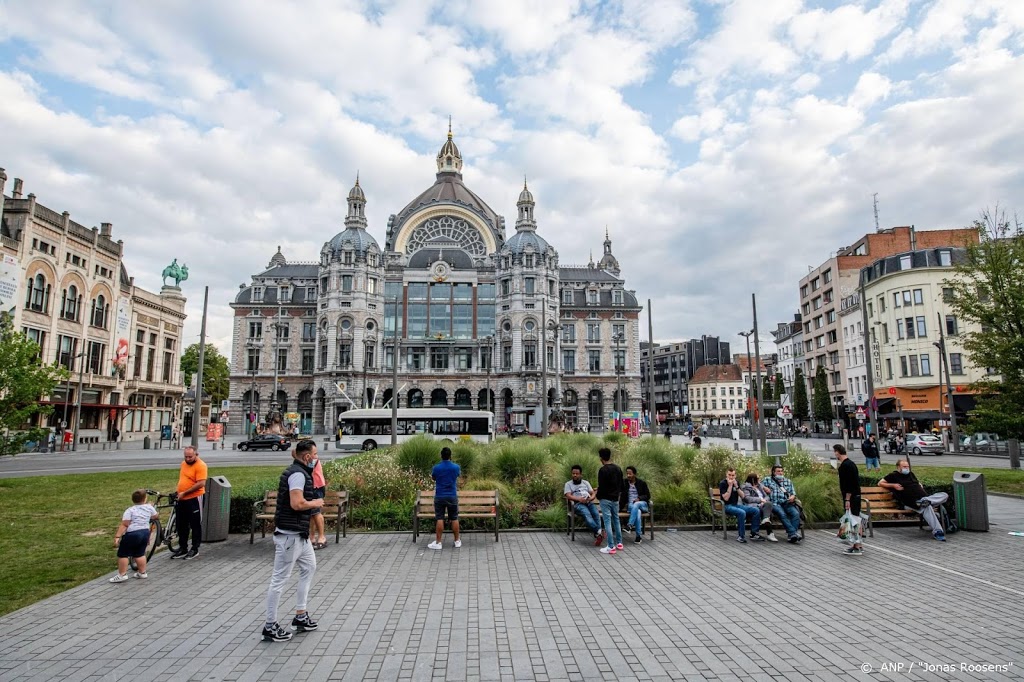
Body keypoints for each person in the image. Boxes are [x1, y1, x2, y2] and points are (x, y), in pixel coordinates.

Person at [262, 439, 324, 642]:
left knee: (309, 567)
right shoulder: (297, 474)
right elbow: (296, 504)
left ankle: (300, 615)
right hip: (290, 535)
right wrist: (315, 502)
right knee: (279, 580)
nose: (316, 458)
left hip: (300, 535)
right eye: (314, 455)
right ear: (307, 457)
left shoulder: (298, 471)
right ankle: (270, 626)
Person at [878, 459, 949, 541]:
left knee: (944, 495)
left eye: (908, 466)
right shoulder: (893, 475)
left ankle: (926, 501)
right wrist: (893, 485)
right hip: (909, 503)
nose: (907, 468)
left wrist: (919, 485)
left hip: (922, 499)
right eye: (904, 467)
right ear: (898, 467)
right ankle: (938, 532)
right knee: (926, 507)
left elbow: (917, 482)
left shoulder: (911, 474)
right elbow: (880, 483)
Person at [110, 489, 159, 583]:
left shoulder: (130, 510)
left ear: (133, 500)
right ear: (145, 499)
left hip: (132, 534)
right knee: (140, 553)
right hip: (145, 533)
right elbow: (155, 516)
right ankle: (142, 572)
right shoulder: (149, 508)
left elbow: (125, 524)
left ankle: (122, 574)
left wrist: (117, 536)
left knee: (123, 554)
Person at [170, 446, 207, 560]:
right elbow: (184, 479)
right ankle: (183, 547)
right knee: (181, 524)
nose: (188, 459)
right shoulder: (183, 464)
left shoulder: (201, 465)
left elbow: (201, 483)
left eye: (190, 456)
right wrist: (179, 492)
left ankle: (194, 548)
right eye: (186, 456)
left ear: (196, 454)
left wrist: (185, 492)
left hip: (195, 498)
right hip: (182, 498)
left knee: (195, 524)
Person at [719, 467, 764, 543]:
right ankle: (741, 536)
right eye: (729, 475)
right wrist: (730, 486)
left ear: (735, 475)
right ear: (726, 475)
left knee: (756, 510)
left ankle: (754, 534)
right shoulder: (723, 483)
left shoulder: (736, 482)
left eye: (733, 475)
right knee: (741, 512)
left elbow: (743, 496)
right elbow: (726, 498)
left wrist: (736, 487)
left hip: (735, 505)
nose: (731, 477)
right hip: (726, 506)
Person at [428, 446, 461, 550]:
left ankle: (438, 543)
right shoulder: (456, 467)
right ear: (450, 456)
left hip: (440, 496)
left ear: (441, 456)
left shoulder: (436, 468)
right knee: (454, 518)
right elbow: (457, 476)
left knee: (440, 518)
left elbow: (434, 478)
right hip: (452, 495)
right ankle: (457, 541)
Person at [834, 444, 864, 555]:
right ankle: (858, 544)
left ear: (837, 452)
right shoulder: (851, 464)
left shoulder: (845, 466)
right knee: (856, 520)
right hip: (856, 496)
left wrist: (847, 499)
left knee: (853, 521)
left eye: (835, 452)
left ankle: (856, 546)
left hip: (851, 497)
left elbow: (849, 484)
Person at [564, 465, 604, 545]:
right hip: (577, 504)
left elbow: (592, 493)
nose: (575, 475)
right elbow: (568, 495)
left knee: (596, 514)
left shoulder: (585, 483)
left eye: (577, 473)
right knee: (587, 514)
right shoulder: (568, 484)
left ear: (580, 474)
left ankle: (598, 534)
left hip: (588, 502)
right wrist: (579, 499)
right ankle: (599, 531)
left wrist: (591, 499)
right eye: (573, 473)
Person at [762, 464, 802, 543]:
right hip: (775, 503)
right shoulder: (767, 479)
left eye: (781, 471)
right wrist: (764, 488)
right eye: (778, 471)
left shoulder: (788, 481)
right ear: (773, 472)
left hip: (786, 502)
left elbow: (793, 493)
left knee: (795, 513)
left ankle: (791, 535)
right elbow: (758, 486)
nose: (780, 473)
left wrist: (792, 497)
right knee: (782, 514)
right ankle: (793, 534)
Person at [595, 448, 624, 555]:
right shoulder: (618, 469)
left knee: (607, 521)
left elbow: (601, 487)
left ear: (601, 458)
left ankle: (611, 546)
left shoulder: (602, 470)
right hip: (615, 499)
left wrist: (598, 496)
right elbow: (622, 486)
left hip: (605, 499)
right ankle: (619, 543)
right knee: (616, 520)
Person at [741, 473, 777, 542]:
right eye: (757, 478)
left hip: (763, 504)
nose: (759, 480)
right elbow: (747, 499)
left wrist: (764, 500)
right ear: (752, 479)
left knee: (768, 505)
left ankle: (764, 523)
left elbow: (767, 496)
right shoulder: (746, 487)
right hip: (753, 505)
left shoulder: (760, 486)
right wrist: (760, 500)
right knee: (768, 513)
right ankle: (769, 533)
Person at [621, 466, 651, 544]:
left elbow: (648, 496)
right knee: (637, 512)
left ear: (634, 474)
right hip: (631, 505)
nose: (628, 475)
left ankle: (630, 525)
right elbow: (614, 487)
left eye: (630, 474)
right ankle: (638, 536)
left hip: (642, 504)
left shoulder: (642, 483)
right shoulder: (624, 483)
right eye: (627, 474)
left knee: (637, 504)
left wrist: (639, 498)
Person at [309, 453, 328, 549]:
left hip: (316, 487)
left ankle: (321, 536)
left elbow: (308, 469)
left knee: (316, 512)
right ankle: (312, 536)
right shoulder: (309, 457)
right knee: (312, 514)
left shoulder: (313, 459)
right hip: (312, 487)